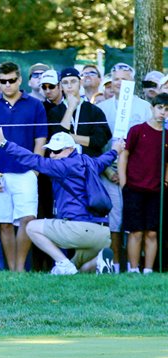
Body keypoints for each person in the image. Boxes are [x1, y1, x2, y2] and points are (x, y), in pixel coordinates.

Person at [0, 127, 122, 274]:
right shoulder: (89, 162)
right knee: (77, 269)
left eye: (57, 151)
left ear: (70, 149)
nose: (52, 155)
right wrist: (115, 150)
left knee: (31, 227)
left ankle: (62, 262)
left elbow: (32, 160)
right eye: (50, 151)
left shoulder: (62, 166)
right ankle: (99, 262)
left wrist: (4, 143)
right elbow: (105, 159)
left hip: (79, 230)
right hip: (102, 235)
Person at [0, 61, 47, 272]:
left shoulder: (35, 105)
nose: (7, 85)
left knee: (27, 219)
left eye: (11, 81)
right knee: (4, 223)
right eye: (2, 81)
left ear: (20, 79)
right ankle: (12, 270)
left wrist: (34, 170)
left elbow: (40, 140)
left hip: (26, 172)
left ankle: (19, 269)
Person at [97, 62, 152, 273]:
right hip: (108, 173)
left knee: (133, 220)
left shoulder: (144, 107)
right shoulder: (102, 108)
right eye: (116, 79)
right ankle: (115, 264)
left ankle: (133, 266)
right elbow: (97, 146)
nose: (120, 83)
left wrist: (129, 171)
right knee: (114, 221)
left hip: (137, 175)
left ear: (133, 81)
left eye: (124, 78)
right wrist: (109, 170)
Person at [118, 93, 168, 274]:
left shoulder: (166, 135)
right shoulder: (137, 130)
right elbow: (124, 155)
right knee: (136, 231)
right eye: (160, 108)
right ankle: (133, 268)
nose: (163, 113)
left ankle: (148, 269)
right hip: (135, 188)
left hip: (156, 190)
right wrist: (123, 181)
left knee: (152, 232)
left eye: (167, 109)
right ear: (152, 108)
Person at [48, 67, 111, 157]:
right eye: (65, 82)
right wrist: (70, 108)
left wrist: (71, 137)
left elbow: (100, 140)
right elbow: (57, 140)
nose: (69, 86)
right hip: (64, 164)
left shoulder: (94, 110)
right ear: (61, 86)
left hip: (90, 163)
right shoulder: (54, 112)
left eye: (73, 81)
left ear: (80, 83)